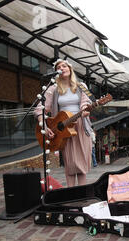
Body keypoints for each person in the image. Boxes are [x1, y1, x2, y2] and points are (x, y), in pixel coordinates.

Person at [34, 59, 94, 187]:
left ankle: (83, 196)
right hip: (63, 129)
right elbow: (40, 108)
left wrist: (85, 110)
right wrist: (44, 125)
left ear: (70, 69)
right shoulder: (53, 89)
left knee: (81, 164)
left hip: (80, 127)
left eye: (64, 66)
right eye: (59, 67)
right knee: (70, 164)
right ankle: (70, 196)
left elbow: (87, 102)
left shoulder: (82, 85)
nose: (62, 68)